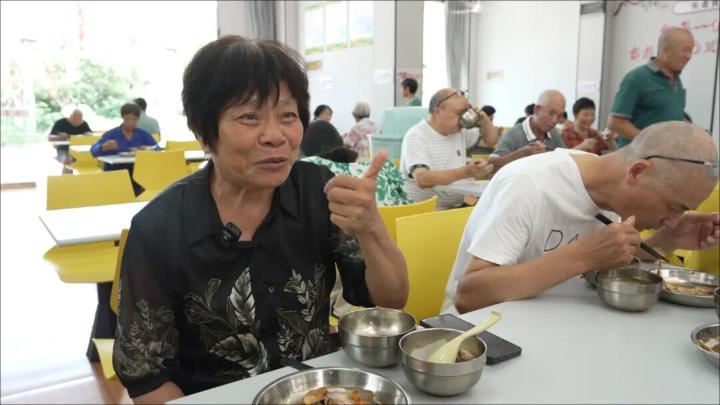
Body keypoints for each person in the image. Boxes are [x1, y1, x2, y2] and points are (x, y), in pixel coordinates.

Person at [113, 35, 409, 403]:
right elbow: (147, 377)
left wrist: (371, 227)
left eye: (288, 116)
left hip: (315, 392)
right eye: (249, 117)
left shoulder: (318, 190)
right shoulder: (160, 229)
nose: (275, 136)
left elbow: (392, 298)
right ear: (204, 133)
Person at [441, 121, 719, 314]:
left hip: (556, 321)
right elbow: (469, 296)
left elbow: (609, 254)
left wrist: (666, 240)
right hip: (482, 334)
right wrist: (581, 257)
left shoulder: (612, 193)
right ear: (637, 172)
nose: (673, 219)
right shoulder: (529, 184)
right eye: (673, 207)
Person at [400, 88, 497, 210]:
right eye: (459, 113)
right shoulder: (416, 136)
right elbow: (423, 179)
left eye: (466, 112)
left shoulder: (458, 131)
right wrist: (467, 171)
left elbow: (491, 140)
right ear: (438, 111)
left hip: (454, 208)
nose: (463, 119)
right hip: (425, 212)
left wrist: (483, 118)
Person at [608, 27, 694, 148]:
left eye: (691, 51)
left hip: (665, 155)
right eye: (685, 50)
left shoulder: (677, 81)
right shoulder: (637, 78)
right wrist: (651, 143)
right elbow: (616, 123)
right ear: (665, 50)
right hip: (637, 156)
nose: (689, 56)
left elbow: (669, 114)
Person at [488, 90, 567, 173]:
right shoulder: (514, 134)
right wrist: (522, 154)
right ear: (537, 109)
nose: (555, 120)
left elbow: (565, 160)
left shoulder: (553, 133)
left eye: (559, 116)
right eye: (551, 113)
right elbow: (491, 166)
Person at [90, 103, 158, 177]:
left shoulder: (143, 134)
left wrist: (148, 149)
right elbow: (93, 151)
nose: (130, 122)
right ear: (122, 118)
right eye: (127, 119)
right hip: (115, 173)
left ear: (138, 119)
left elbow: (158, 149)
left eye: (134, 120)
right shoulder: (112, 134)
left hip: (138, 174)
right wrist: (103, 147)